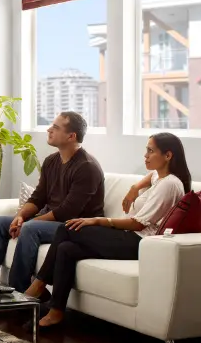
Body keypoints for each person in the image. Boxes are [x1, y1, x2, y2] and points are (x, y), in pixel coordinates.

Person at [25, 132, 190, 327]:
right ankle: (56, 310)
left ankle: (38, 284)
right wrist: (134, 188)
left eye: (150, 151)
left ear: (168, 155)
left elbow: (138, 224)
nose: (145, 155)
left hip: (139, 242)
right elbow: (150, 177)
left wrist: (97, 221)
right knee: (66, 249)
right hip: (128, 237)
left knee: (67, 228)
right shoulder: (160, 177)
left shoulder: (170, 185)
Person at [0, 111, 105, 292]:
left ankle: (18, 293)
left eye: (56, 127)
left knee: (30, 228)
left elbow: (67, 211)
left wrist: (30, 222)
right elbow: (38, 197)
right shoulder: (51, 161)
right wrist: (20, 216)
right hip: (52, 220)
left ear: (71, 136)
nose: (49, 130)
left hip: (75, 226)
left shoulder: (87, 167)